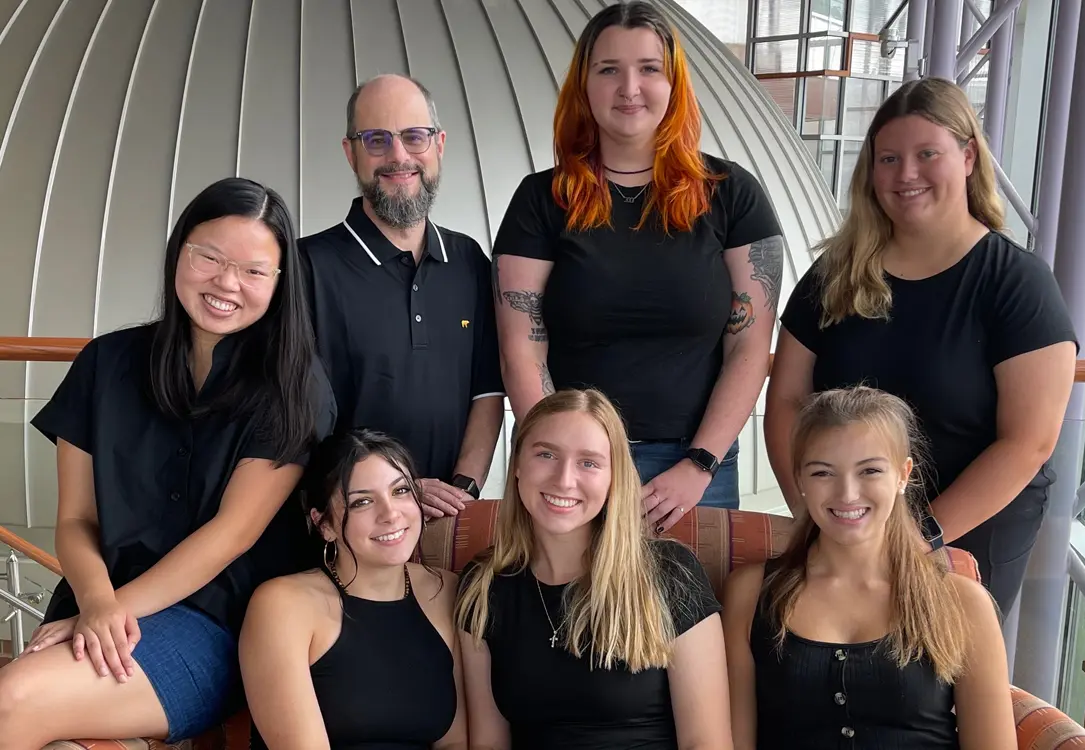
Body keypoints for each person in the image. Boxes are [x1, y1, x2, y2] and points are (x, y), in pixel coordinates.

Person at [0, 177, 336, 746]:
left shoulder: (292, 387)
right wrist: (97, 602)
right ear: (179, 250)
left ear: (280, 283)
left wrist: (109, 611)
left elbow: (231, 535)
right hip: (96, 601)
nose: (227, 283)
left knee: (11, 701)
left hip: (210, 623)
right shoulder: (105, 363)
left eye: (254, 271)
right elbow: (77, 519)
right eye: (209, 257)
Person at [763, 77, 1076, 618]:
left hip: (970, 527)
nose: (905, 174)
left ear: (968, 157)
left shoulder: (1017, 283)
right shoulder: (835, 275)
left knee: (942, 684)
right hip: (846, 520)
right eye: (888, 159)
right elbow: (787, 399)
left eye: (926, 154)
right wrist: (814, 512)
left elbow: (1028, 442)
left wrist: (916, 536)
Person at [492, 1, 783, 524]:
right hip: (574, 474)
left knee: (694, 609)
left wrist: (699, 463)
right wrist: (566, 461)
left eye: (649, 69)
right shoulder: (541, 199)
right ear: (585, 86)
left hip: (694, 474)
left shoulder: (733, 195)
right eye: (609, 70)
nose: (630, 88)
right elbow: (522, 346)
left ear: (674, 84)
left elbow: (751, 345)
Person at [724, 387, 1016, 750]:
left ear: (902, 475)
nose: (847, 494)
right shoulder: (750, 593)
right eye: (823, 473)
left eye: (870, 471)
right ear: (799, 479)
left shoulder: (964, 603)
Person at [455, 389, 732, 750]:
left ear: (614, 478)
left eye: (589, 462)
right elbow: (489, 743)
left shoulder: (668, 572)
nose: (564, 480)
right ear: (518, 464)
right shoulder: (483, 584)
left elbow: (706, 742)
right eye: (546, 454)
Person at [302, 73, 504, 519]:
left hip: (444, 520)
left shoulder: (469, 261)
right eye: (376, 139)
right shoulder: (306, 268)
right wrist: (393, 493)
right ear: (350, 152)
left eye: (415, 137)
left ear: (439, 145)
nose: (399, 156)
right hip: (345, 524)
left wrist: (461, 491)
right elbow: (294, 424)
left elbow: (486, 394)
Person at [240, 429, 467, 749]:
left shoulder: (447, 590)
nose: (391, 515)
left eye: (401, 490)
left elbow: (454, 742)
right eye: (362, 502)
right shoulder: (282, 605)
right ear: (325, 525)